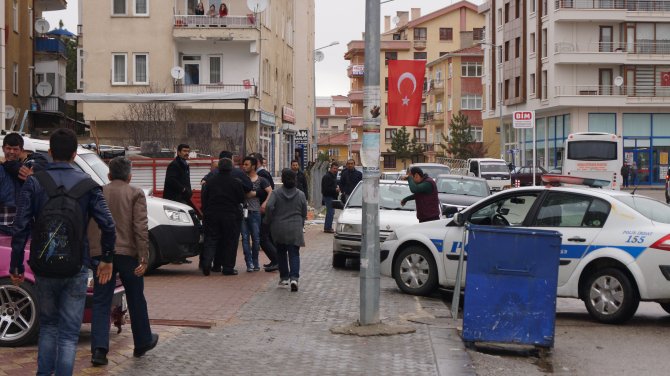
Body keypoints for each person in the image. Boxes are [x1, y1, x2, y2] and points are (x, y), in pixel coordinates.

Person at [10, 128, 116, 376]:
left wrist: (16, 266)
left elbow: (20, 226)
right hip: (77, 265)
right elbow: (108, 225)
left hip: (44, 266)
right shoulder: (89, 186)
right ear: (73, 153)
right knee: (69, 333)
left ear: (49, 152)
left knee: (48, 326)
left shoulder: (35, 183)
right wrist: (107, 259)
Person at [88, 157, 158, 366]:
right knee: (136, 297)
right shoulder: (135, 193)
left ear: (108, 175)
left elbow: (91, 225)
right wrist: (144, 257)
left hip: (101, 255)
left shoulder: (98, 191)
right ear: (129, 176)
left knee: (101, 301)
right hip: (128, 255)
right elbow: (140, 227)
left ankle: (99, 351)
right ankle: (142, 341)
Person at [200, 151, 252, 272]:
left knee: (211, 239)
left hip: (212, 214)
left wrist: (206, 210)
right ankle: (228, 267)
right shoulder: (236, 181)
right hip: (231, 215)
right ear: (231, 167)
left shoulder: (210, 181)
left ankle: (207, 264)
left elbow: (204, 197)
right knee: (230, 240)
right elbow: (241, 198)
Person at [265, 169, 307, 292]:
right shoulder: (300, 194)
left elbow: (269, 206)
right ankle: (294, 278)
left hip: (278, 228)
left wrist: (268, 219)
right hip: (295, 228)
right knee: (294, 254)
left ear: (282, 179)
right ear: (295, 179)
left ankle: (284, 278)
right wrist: (301, 222)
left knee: (281, 253)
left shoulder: (276, 193)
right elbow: (304, 212)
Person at [242, 156, 272, 272]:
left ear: (253, 166)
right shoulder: (242, 178)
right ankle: (248, 263)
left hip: (255, 212)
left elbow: (270, 191)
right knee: (245, 238)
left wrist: (265, 203)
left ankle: (255, 262)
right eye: (244, 164)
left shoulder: (261, 180)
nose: (244, 167)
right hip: (243, 212)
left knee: (256, 238)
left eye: (246, 164)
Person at [249, 153, 278, 271]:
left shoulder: (261, 175)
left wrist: (263, 201)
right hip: (263, 209)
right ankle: (275, 260)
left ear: (257, 163)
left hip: (263, 209)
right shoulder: (262, 173)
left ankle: (277, 260)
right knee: (267, 237)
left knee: (263, 237)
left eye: (251, 162)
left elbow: (270, 191)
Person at [321, 162, 339, 233]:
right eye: (334, 168)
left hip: (332, 196)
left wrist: (336, 187)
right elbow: (325, 189)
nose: (335, 170)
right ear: (331, 168)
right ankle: (327, 228)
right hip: (328, 197)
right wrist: (335, 189)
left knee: (331, 212)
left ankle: (328, 227)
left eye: (337, 169)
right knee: (330, 212)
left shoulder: (332, 176)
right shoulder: (327, 177)